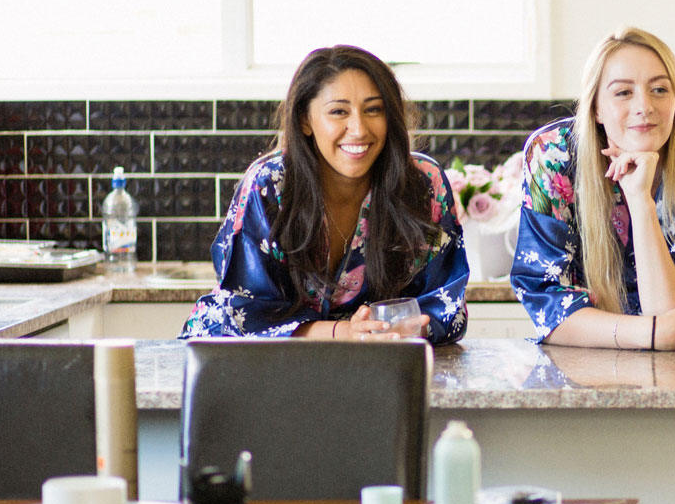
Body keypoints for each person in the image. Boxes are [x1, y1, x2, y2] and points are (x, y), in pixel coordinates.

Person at [182, 44, 469, 343]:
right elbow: (244, 313)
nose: (358, 129)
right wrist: (344, 333)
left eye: (373, 109)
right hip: (246, 364)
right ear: (305, 120)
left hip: (379, 362)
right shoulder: (269, 186)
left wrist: (409, 328)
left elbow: (446, 304)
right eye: (338, 112)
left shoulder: (424, 186)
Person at [510, 26, 675, 350]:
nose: (644, 106)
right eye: (623, 92)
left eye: (659, 89)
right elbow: (549, 308)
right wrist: (650, 333)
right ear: (596, 108)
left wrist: (640, 200)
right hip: (594, 372)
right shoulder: (554, 155)